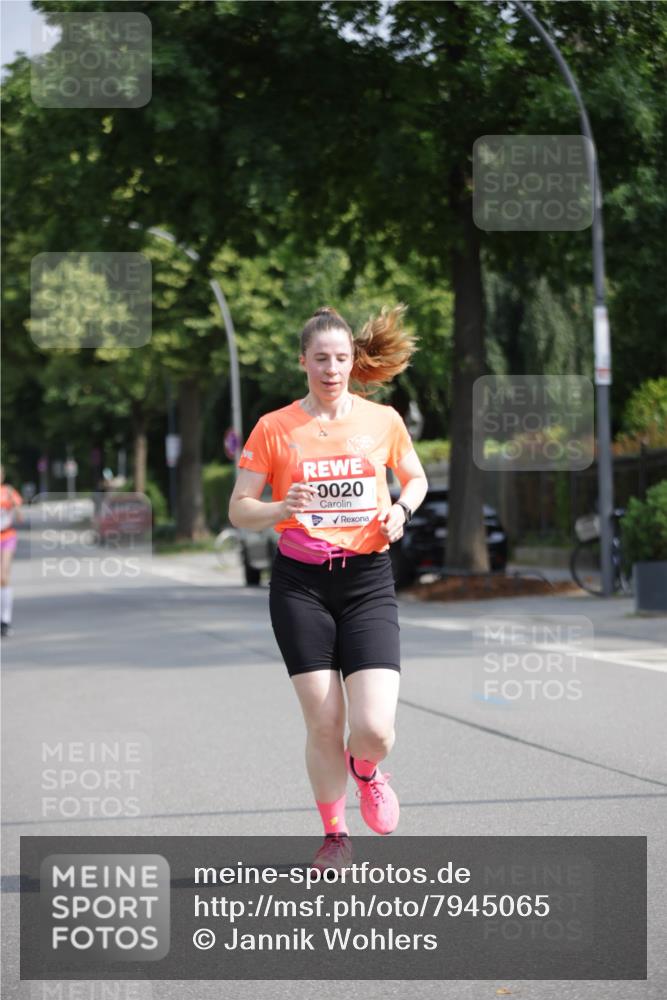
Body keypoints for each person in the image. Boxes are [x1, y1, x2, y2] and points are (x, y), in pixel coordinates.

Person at [229, 305, 428, 870]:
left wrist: (402, 511)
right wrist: (276, 507)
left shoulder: (382, 420)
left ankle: (366, 770)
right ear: (304, 363)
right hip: (300, 585)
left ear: (352, 361)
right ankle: (335, 835)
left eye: (341, 358)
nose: (332, 367)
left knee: (374, 729)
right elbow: (239, 509)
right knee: (324, 722)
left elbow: (415, 478)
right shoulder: (275, 427)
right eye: (321, 358)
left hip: (367, 581)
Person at [0, 465, 24, 637]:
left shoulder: (8, 491)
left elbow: (20, 518)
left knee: (3, 577)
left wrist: (15, 506)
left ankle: (5, 621)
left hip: (7, 536)